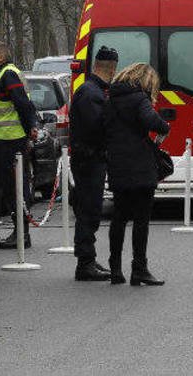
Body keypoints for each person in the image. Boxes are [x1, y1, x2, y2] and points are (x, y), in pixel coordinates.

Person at [103, 63, 170, 286]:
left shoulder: (111, 97)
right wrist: (164, 127)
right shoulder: (139, 98)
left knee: (119, 216)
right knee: (141, 220)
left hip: (117, 162)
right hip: (140, 165)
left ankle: (115, 269)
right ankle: (139, 268)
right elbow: (153, 122)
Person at [68, 46, 118, 281]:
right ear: (111, 68)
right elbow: (96, 128)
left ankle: (88, 259)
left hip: (89, 158)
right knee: (89, 211)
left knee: (90, 210)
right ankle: (85, 263)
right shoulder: (92, 93)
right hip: (89, 160)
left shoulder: (92, 90)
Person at [0, 42, 38, 250]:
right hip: (9, 141)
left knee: (14, 188)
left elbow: (23, 105)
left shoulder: (8, 74)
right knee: (14, 187)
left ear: (1, 57)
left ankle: (20, 235)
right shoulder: (9, 73)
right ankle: (20, 233)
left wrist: (28, 130)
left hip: (11, 142)